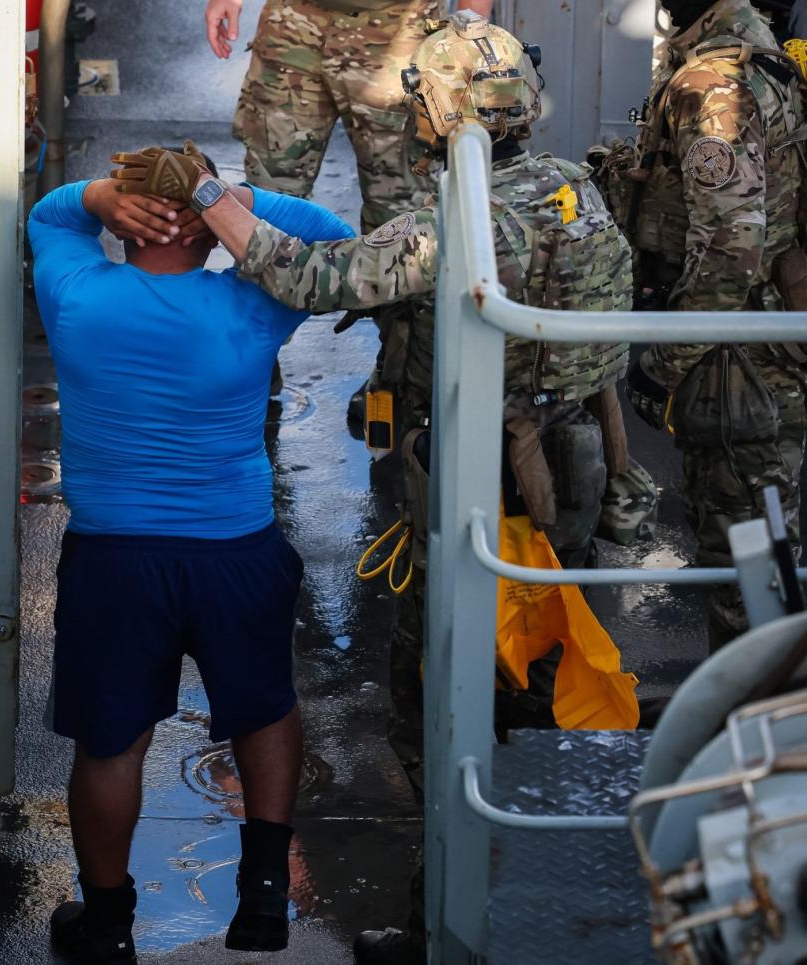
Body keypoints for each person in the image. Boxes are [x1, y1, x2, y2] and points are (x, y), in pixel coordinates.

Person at [108, 13, 641, 963]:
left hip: (487, 482)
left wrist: (207, 193)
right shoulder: (572, 189)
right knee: (550, 673)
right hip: (575, 466)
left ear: (437, 112)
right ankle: (543, 901)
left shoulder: (448, 224)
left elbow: (311, 277)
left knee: (444, 692)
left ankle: (460, 922)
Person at [27, 149, 354, 963]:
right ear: (208, 232)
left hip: (115, 557)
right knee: (264, 707)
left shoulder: (76, 297)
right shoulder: (253, 301)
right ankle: (264, 901)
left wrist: (99, 195)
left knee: (111, 742)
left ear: (127, 222)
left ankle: (106, 926)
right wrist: (228, 198)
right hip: (234, 551)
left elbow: (50, 216)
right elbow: (331, 237)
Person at [618, 0, 807, 651]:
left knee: (745, 578)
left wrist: (661, 365)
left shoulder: (713, 83)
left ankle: (756, 739)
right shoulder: (767, 61)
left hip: (738, 367)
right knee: (768, 557)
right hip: (771, 342)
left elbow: (730, 250)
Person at [205, 0, 492, 404]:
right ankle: (254, 371)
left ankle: (400, 384)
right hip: (294, 22)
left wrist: (471, 27)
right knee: (267, 201)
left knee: (403, 222)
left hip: (399, 30)